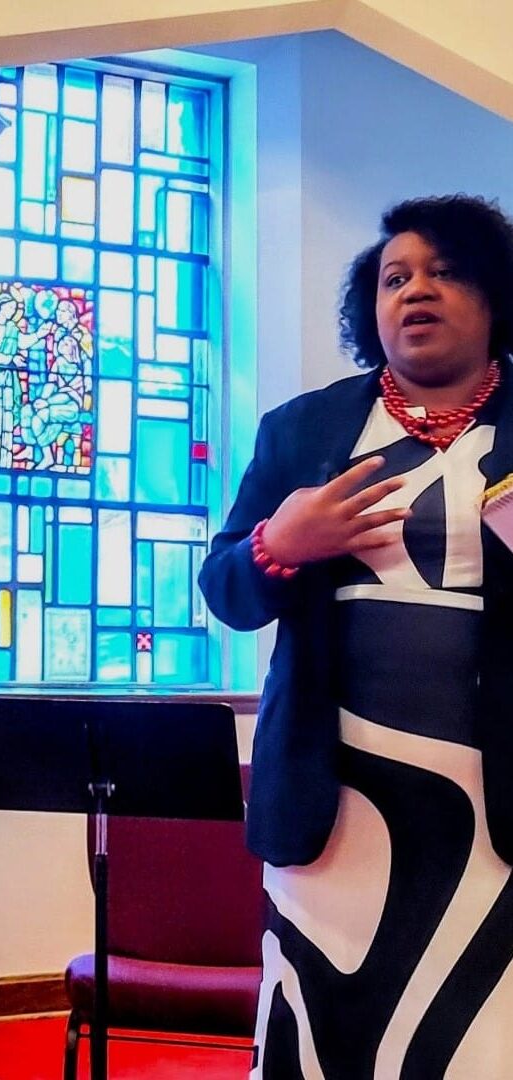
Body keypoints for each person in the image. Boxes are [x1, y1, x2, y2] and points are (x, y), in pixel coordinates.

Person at [199, 194, 513, 1077]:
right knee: (328, 1031)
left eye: (446, 272)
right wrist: (279, 545)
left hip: (497, 804)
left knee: (481, 1039)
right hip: (336, 803)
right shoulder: (304, 430)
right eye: (395, 276)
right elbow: (226, 591)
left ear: (495, 298)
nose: (417, 290)